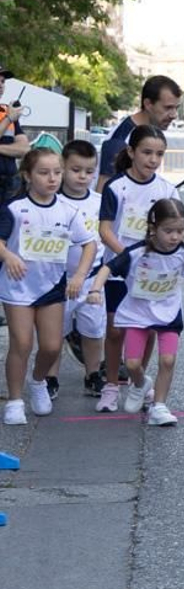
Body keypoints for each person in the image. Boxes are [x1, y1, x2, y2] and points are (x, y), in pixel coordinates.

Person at [89, 199, 184, 425]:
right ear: (153, 228)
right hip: (138, 314)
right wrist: (95, 290)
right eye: (168, 231)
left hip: (168, 313)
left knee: (168, 360)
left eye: (180, 231)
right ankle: (141, 384)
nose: (174, 237)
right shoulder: (137, 253)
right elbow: (108, 267)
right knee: (132, 364)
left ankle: (159, 406)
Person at [0, 148, 97, 423]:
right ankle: (16, 401)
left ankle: (38, 380)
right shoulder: (14, 209)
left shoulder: (68, 210)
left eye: (57, 172)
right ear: (27, 176)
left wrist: (79, 276)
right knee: (21, 342)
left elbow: (89, 244)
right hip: (17, 286)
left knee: (52, 346)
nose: (52, 178)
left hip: (52, 287)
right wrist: (8, 256)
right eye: (44, 173)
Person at [97, 125, 179, 414]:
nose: (153, 159)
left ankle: (138, 382)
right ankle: (109, 385)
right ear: (131, 152)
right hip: (121, 269)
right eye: (146, 152)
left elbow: (176, 230)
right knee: (116, 329)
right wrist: (128, 258)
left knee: (148, 329)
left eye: (159, 154)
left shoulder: (167, 190)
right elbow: (105, 230)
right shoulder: (115, 186)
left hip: (152, 273)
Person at [57, 139, 108, 398]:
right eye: (76, 170)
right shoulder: (51, 200)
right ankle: (50, 378)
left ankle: (92, 374)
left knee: (93, 331)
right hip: (56, 281)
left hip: (91, 280)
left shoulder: (100, 202)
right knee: (55, 333)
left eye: (89, 171)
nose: (82, 176)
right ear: (62, 167)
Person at [96, 75, 182, 191]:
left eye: (176, 108)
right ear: (148, 104)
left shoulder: (148, 133)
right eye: (168, 108)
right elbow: (103, 192)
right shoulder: (120, 140)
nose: (174, 115)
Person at [0, 98, 30, 201]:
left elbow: (24, 149)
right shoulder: (9, 116)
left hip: (10, 182)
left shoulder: (6, 112)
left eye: (3, 81)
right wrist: (8, 119)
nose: (1, 84)